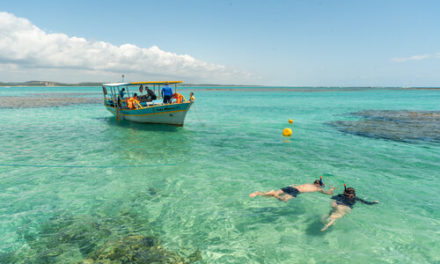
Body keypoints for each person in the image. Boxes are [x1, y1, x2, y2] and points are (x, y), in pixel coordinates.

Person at [249, 176, 335, 202]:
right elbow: (329, 193)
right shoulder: (318, 189)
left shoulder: (308, 184)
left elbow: (297, 185)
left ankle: (258, 193)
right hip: (295, 191)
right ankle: (274, 194)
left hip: (291, 187)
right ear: (319, 185)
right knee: (283, 200)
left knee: (271, 195)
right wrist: (331, 189)